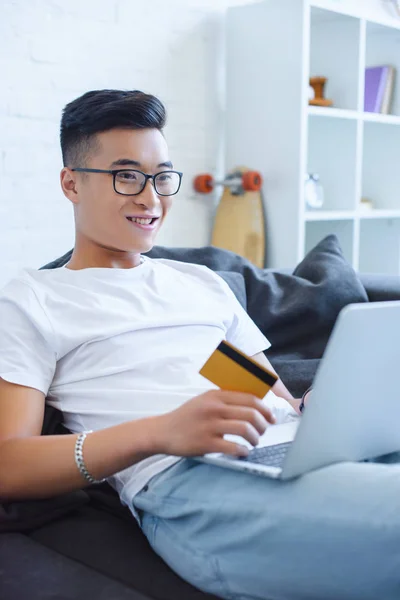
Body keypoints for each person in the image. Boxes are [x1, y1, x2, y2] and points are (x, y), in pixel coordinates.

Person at [0, 90, 399, 600]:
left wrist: (317, 406)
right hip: (192, 487)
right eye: (127, 176)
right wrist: (160, 432)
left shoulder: (198, 283)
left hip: (299, 452)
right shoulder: (35, 298)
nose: (151, 199)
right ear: (71, 184)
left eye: (162, 177)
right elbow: (9, 464)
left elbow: (253, 386)